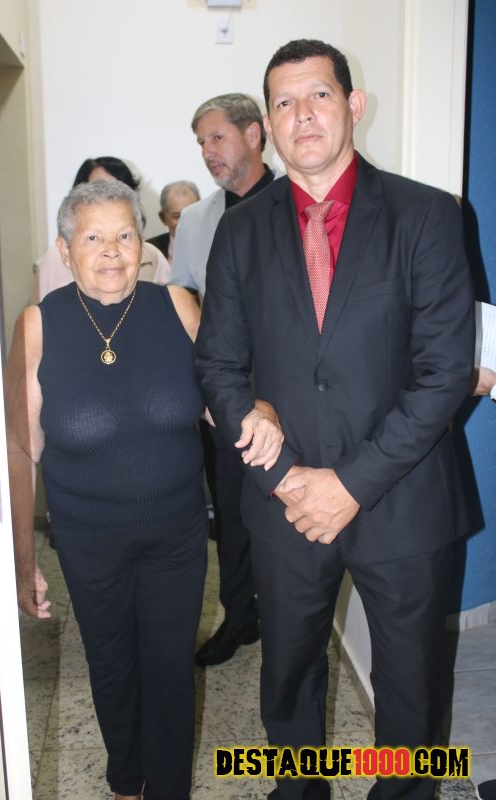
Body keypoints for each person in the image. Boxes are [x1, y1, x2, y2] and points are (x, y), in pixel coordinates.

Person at [195, 39, 475, 800]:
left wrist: (348, 484)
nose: (303, 115)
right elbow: (217, 365)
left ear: (353, 105)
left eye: (318, 95)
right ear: (269, 126)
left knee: (412, 686)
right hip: (283, 505)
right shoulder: (240, 233)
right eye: (284, 102)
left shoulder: (427, 215)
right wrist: (289, 480)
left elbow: (444, 372)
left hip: (403, 500)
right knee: (287, 675)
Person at [5, 180, 208, 800]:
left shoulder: (177, 307)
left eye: (125, 234)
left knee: (170, 668)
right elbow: (21, 450)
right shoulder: (40, 325)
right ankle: (126, 779)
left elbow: (225, 406)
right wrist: (21, 559)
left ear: (143, 244)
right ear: (65, 250)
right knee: (112, 663)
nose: (113, 250)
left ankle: (168, 787)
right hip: (89, 541)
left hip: (177, 535)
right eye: (93, 237)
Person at [170, 93, 280, 668]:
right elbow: (181, 292)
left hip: (294, 386)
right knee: (233, 512)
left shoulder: (296, 202)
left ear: (254, 134)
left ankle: (288, 615)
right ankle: (240, 616)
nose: (208, 151)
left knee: (287, 507)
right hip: (227, 391)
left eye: (217, 137)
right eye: (201, 142)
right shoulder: (195, 220)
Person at [30, 155, 169, 302]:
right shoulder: (55, 259)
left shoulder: (153, 257)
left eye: (119, 190)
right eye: (97, 190)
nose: (111, 251)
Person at [147, 180, 200, 262]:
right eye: (177, 216)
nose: (185, 222)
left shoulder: (216, 246)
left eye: (191, 214)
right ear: (163, 218)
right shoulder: (148, 251)